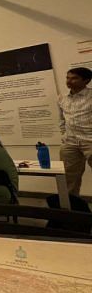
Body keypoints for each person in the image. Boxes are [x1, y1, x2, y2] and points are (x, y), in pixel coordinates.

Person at [58, 67, 92, 196]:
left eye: (74, 78)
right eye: (68, 78)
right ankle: (71, 209)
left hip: (90, 140)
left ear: (86, 80)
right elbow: (61, 119)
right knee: (68, 178)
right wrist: (64, 134)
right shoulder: (62, 98)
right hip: (70, 143)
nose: (69, 81)